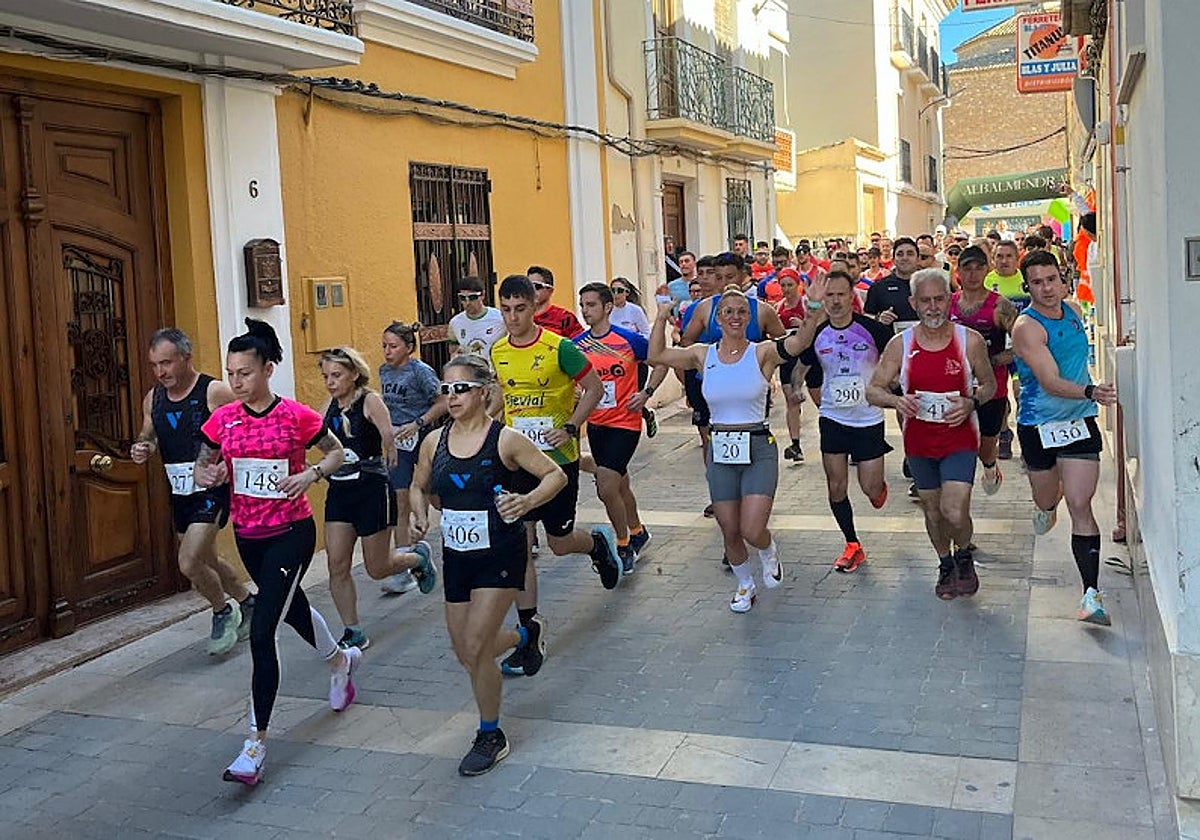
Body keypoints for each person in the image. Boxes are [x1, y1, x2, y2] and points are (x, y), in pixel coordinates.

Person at [195, 319, 358, 786]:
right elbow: (205, 461)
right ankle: (340, 660)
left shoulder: (296, 416)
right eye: (230, 372)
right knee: (292, 610)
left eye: (244, 372)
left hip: (291, 531)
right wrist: (211, 475)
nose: (235, 382)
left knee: (263, 629)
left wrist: (310, 476)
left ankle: (254, 744)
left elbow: (337, 452)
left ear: (267, 370)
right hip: (249, 535)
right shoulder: (222, 419)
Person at [409, 355, 567, 775]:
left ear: (483, 392)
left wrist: (528, 501)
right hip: (457, 558)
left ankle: (490, 733)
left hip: (500, 554)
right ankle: (524, 633)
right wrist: (417, 512)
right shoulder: (433, 442)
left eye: (461, 388)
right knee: (465, 651)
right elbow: (417, 484)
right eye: (447, 389)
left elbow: (556, 475)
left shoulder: (505, 440)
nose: (452, 396)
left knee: (477, 647)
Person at [650, 285, 827, 612]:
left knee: (751, 529)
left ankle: (768, 548)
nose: (735, 316)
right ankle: (745, 584)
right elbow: (656, 355)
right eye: (728, 311)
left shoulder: (762, 352)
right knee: (729, 529)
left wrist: (813, 303)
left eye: (742, 311)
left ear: (750, 317)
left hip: (758, 446)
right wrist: (661, 316)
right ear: (717, 318)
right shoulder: (702, 354)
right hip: (720, 448)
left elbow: (801, 341)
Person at [489, 274, 623, 677]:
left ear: (535, 308)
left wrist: (570, 427)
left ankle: (597, 545)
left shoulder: (559, 348)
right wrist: (485, 421)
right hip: (515, 460)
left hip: (556, 461)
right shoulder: (498, 350)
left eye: (521, 309)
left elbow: (595, 389)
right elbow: (502, 395)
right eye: (506, 310)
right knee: (520, 544)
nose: (513, 318)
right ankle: (530, 630)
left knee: (559, 542)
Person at [866, 269, 996, 601]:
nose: (934, 307)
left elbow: (991, 385)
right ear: (914, 303)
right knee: (933, 511)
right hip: (919, 442)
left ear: (949, 300)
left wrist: (971, 402)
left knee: (955, 510)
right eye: (926, 301)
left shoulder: (970, 341)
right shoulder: (901, 345)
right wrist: (897, 400)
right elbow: (873, 391)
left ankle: (964, 552)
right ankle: (946, 562)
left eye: (940, 299)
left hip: (959, 439)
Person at [130, 328, 252, 656]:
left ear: (186, 358)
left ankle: (222, 611)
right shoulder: (152, 398)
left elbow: (245, 430)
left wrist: (228, 464)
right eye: (155, 365)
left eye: (167, 363)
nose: (161, 372)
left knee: (188, 562)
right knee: (207, 558)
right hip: (179, 492)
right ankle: (247, 600)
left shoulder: (214, 391)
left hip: (211, 489)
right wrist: (143, 448)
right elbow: (148, 434)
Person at [1012, 249, 1118, 625]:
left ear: (1062, 278)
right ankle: (1045, 504)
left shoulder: (1073, 311)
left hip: (1078, 422)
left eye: (1051, 279)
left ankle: (1091, 595)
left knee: (1080, 503)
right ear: (1028, 287)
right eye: (1037, 283)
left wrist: (1089, 399)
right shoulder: (1026, 327)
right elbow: (1050, 382)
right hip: (1040, 425)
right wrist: (1091, 392)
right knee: (1048, 499)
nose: (1046, 289)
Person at [320, 347, 437, 652]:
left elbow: (388, 437)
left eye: (336, 375)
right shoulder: (329, 406)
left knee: (377, 567)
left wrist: (389, 459)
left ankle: (417, 558)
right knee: (337, 563)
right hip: (340, 491)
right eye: (326, 376)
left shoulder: (369, 400)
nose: (330, 382)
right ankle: (352, 629)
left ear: (354, 374)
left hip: (370, 488)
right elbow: (319, 438)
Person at [796, 271, 894, 572]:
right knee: (836, 486)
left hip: (868, 418)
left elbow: (895, 363)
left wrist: (894, 389)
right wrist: (793, 387)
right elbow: (801, 364)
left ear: (852, 295)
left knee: (870, 487)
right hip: (833, 417)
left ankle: (879, 489)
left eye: (841, 294)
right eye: (830, 295)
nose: (836, 301)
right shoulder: (818, 333)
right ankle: (852, 544)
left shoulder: (873, 330)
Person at [681, 253, 786, 519]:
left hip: (749, 389)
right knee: (710, 438)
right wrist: (699, 367)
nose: (725, 282)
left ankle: (751, 493)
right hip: (712, 388)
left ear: (743, 276)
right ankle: (721, 493)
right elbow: (686, 342)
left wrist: (773, 373)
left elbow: (782, 344)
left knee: (750, 436)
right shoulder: (706, 308)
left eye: (731, 276)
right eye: (719, 277)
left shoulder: (761, 309)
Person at [575, 283, 665, 571]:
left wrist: (646, 392)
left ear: (607, 307)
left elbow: (661, 361)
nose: (585, 310)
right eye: (582, 305)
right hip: (596, 423)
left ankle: (623, 544)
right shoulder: (578, 345)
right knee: (619, 483)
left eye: (591, 305)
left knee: (605, 486)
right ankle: (639, 531)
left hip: (625, 422)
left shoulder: (628, 340)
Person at [380, 321, 446, 594]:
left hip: (422, 440)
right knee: (400, 499)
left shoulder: (421, 372)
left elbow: (442, 402)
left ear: (409, 347)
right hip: (397, 446)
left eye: (393, 346)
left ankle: (445, 535)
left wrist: (418, 423)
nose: (387, 352)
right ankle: (405, 565)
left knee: (433, 497)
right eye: (384, 346)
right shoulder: (383, 371)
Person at [949, 246, 1018, 495]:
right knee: (955, 441)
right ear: (958, 272)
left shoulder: (1000, 306)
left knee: (986, 446)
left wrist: (994, 361)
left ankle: (990, 466)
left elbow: (1022, 344)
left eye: (979, 268)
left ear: (987, 269)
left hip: (992, 387)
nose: (973, 274)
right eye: (967, 268)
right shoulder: (949, 303)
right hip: (955, 385)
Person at [774, 267, 809, 463]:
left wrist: (802, 324)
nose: (786, 289)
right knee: (791, 401)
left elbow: (817, 327)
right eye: (783, 285)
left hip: (809, 358)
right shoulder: (778, 307)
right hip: (787, 357)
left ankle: (843, 435)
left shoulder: (805, 304)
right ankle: (795, 444)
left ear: (798, 285)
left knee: (820, 399)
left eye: (790, 285)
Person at [864, 237, 920, 331]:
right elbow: (867, 317)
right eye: (900, 254)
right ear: (893, 260)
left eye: (910, 254)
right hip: (890, 341)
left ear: (918, 259)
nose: (905, 258)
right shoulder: (879, 287)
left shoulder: (930, 285)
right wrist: (879, 319)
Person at [448, 276, 506, 358]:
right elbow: (453, 352)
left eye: (472, 297)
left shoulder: (500, 318)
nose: (467, 302)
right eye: (463, 298)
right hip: (470, 369)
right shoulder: (455, 322)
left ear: (482, 295)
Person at [528, 265, 584, 338]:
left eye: (537, 286)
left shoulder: (565, 317)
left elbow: (581, 345)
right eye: (528, 286)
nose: (532, 290)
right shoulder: (521, 317)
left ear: (550, 290)